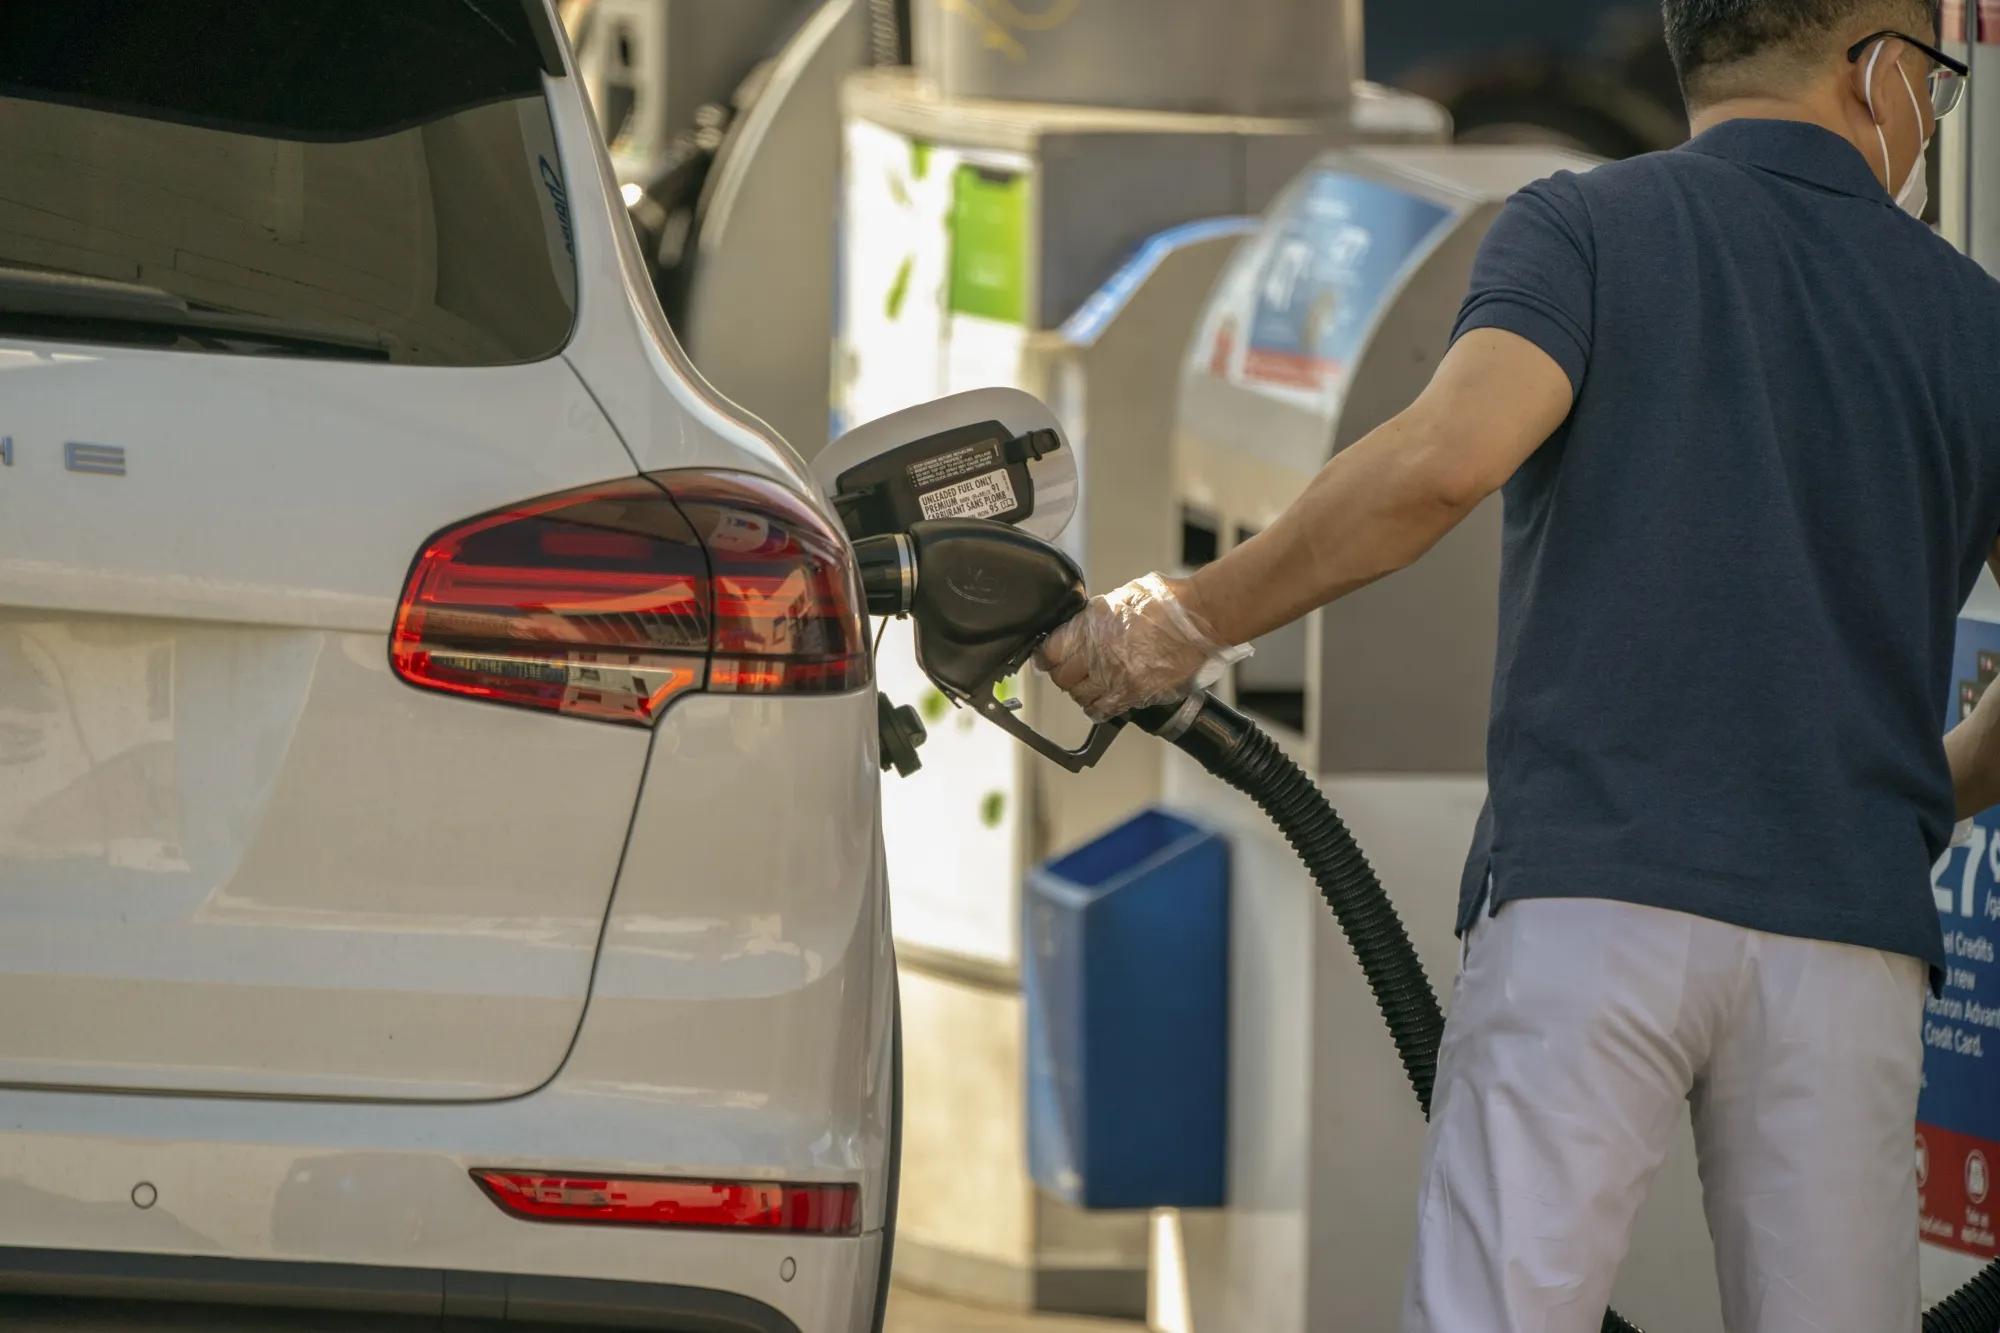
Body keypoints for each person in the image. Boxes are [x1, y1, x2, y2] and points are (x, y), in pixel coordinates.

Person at [1036, 2, 2000, 1329]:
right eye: (1933, 83)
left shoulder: (1588, 227)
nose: (1930, 118)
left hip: (1591, 907)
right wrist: (1919, 794)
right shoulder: (1970, 317)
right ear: (1879, 69)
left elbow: (1442, 463)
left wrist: (1177, 622)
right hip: (1847, 941)